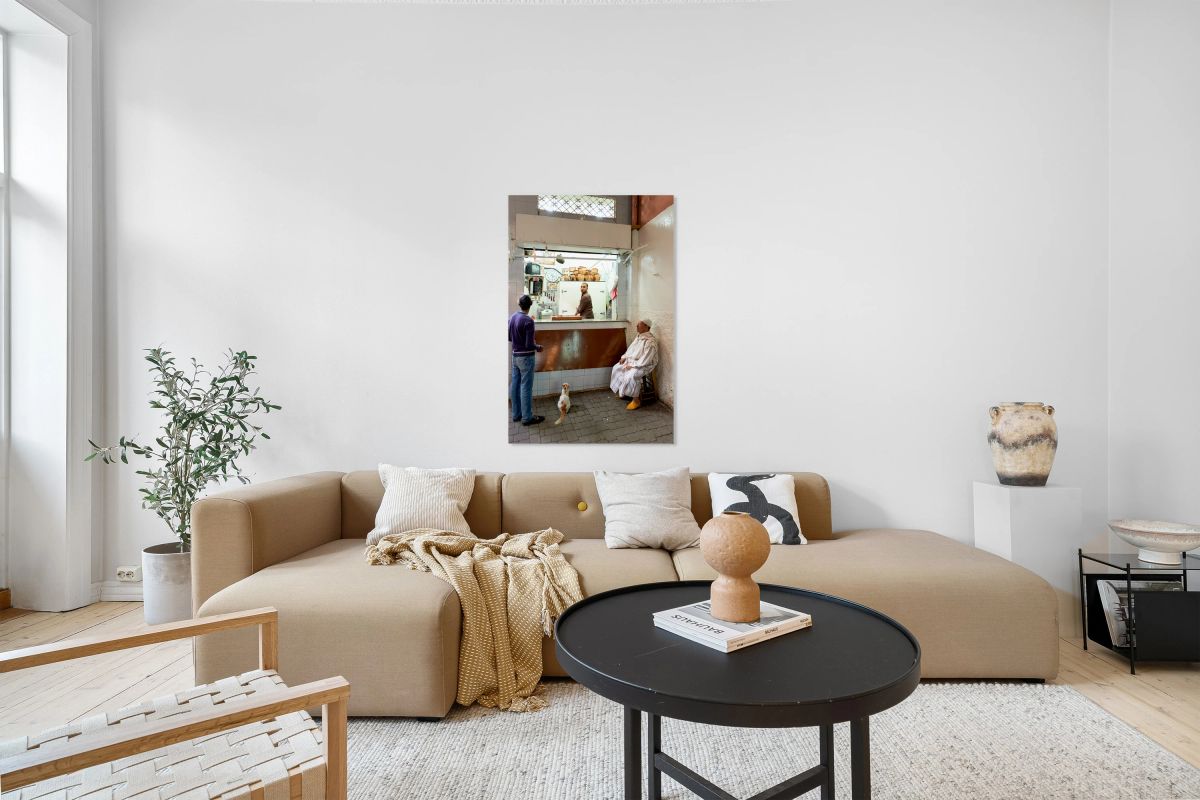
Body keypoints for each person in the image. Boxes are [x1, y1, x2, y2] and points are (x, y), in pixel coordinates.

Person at [508, 295, 544, 425]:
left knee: (515, 385)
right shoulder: (528, 321)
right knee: (526, 388)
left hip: (515, 356)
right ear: (530, 306)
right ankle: (527, 418)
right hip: (526, 358)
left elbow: (509, 337)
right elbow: (529, 345)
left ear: (520, 305)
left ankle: (516, 414)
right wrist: (538, 347)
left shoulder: (512, 317)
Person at [610, 320, 659, 410]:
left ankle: (636, 401)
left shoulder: (650, 341)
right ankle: (623, 392)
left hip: (645, 364)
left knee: (631, 375)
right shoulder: (639, 336)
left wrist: (633, 366)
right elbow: (631, 349)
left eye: (639, 325)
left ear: (646, 326)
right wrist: (624, 357)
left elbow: (647, 358)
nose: (636, 326)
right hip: (634, 361)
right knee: (617, 368)